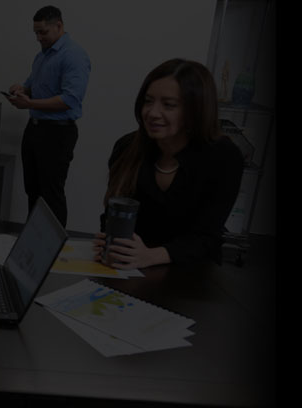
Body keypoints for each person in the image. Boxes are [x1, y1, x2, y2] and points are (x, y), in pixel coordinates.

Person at [92, 58, 244, 269]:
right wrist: (109, 241)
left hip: (189, 272)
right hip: (130, 266)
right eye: (148, 101)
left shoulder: (224, 157)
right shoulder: (127, 147)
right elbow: (112, 214)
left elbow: (207, 237)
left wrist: (152, 256)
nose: (152, 113)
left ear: (195, 110)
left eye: (169, 105)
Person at [7, 5, 91, 228]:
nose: (38, 37)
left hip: (57, 133)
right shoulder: (42, 56)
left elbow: (69, 99)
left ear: (59, 26)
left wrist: (29, 103)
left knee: (51, 195)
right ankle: (32, 242)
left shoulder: (73, 55)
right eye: (36, 32)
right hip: (34, 129)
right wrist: (21, 90)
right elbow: (33, 87)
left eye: (43, 32)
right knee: (33, 191)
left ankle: (54, 246)